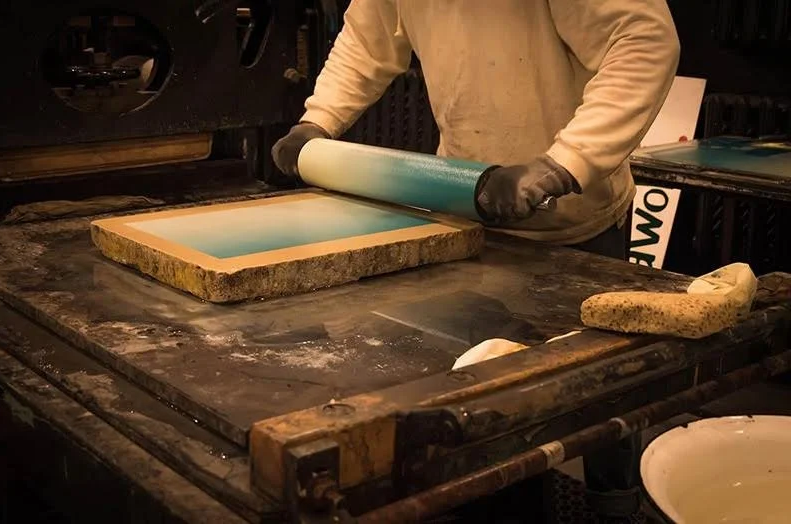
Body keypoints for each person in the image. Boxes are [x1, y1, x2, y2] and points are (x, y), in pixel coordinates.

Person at [272, 0, 679, 518]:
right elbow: (367, 39)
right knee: (493, 385)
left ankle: (613, 505)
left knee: (607, 392)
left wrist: (562, 165)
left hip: (578, 220)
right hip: (471, 203)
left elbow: (643, 41)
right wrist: (318, 122)